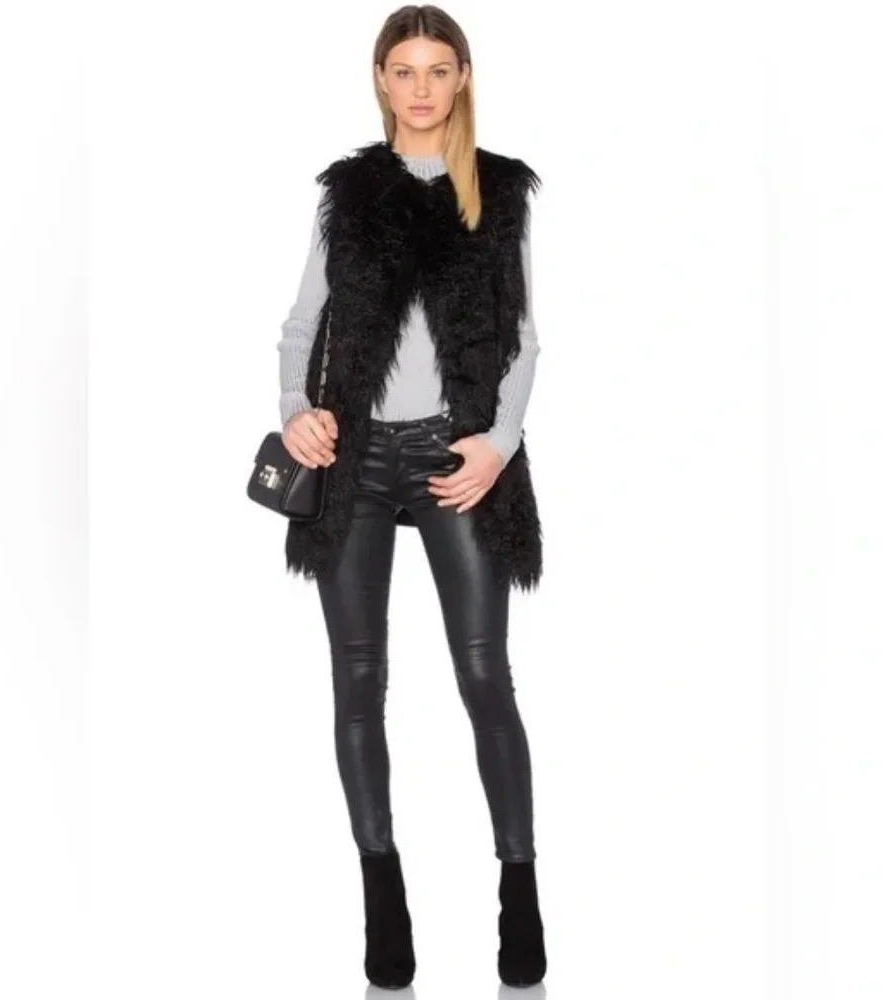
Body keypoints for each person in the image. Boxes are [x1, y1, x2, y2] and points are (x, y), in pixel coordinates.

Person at [274, 4, 547, 989]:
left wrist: (496, 447)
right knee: (358, 680)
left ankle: (519, 893)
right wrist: (296, 413)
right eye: (403, 69)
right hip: (353, 457)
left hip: (453, 455)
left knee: (483, 675)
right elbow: (301, 325)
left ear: (462, 76)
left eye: (438, 68)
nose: (421, 87)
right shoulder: (347, 194)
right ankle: (381, 901)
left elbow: (522, 340)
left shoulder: (498, 191)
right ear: (381, 80)